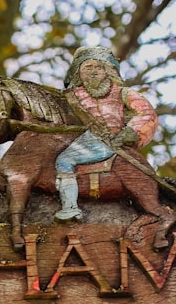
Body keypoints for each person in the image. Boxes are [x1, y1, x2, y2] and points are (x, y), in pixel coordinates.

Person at [53, 46, 158, 221]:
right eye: (88, 67)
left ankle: (70, 208)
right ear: (79, 72)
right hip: (85, 138)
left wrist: (129, 133)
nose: (93, 72)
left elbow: (147, 113)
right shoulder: (71, 96)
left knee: (64, 160)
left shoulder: (123, 93)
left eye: (98, 67)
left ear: (108, 70)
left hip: (108, 141)